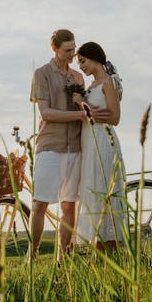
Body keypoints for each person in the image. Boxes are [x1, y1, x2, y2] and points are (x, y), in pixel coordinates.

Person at [29, 29, 86, 259]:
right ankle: (32, 255)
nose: (73, 54)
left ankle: (64, 259)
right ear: (55, 49)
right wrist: (79, 116)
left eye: (74, 49)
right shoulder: (41, 74)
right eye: (67, 50)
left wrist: (82, 106)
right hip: (50, 145)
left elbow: (84, 107)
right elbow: (46, 113)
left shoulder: (78, 77)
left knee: (68, 206)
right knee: (39, 204)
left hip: (75, 146)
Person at [72, 42, 127, 251]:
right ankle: (99, 253)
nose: (81, 67)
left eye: (83, 61)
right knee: (92, 192)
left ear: (94, 57)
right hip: (89, 143)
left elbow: (114, 117)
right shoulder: (91, 86)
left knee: (104, 192)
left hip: (103, 142)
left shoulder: (108, 82)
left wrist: (81, 104)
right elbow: (91, 116)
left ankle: (110, 252)